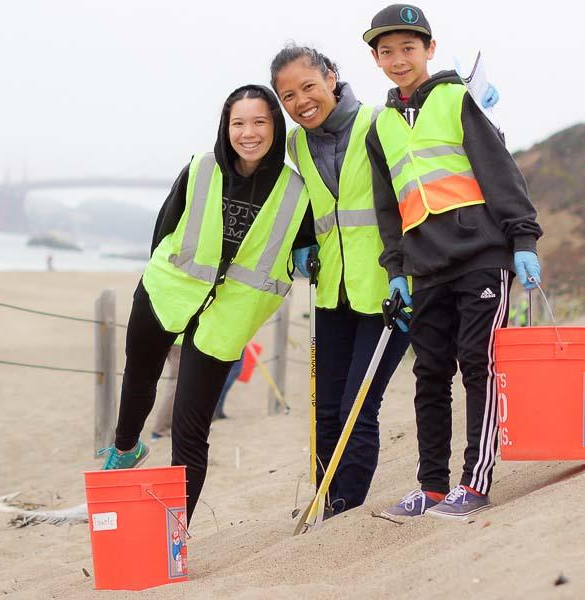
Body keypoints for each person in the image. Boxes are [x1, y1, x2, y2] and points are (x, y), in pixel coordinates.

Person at [100, 84, 312, 522]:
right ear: (225, 126)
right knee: (139, 377)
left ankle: (174, 532)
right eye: (238, 123)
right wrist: (160, 283)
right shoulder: (200, 168)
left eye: (259, 122)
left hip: (228, 315)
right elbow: (164, 231)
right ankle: (126, 447)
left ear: (276, 126)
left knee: (190, 427)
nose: (248, 133)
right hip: (167, 291)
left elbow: (303, 250)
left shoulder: (297, 191)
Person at [362, 4, 542, 519]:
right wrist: (396, 270)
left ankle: (476, 482)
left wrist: (523, 240)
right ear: (375, 59)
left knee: (478, 365)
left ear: (430, 49)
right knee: (430, 375)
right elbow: (387, 207)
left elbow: (499, 171)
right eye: (387, 51)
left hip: (482, 255)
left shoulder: (457, 99)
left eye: (408, 48)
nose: (399, 59)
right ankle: (433, 486)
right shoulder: (380, 128)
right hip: (425, 268)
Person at [270, 44, 412, 516]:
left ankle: (346, 505)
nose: (301, 101)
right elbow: (305, 206)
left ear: (331, 77)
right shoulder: (294, 144)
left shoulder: (380, 122)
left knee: (356, 405)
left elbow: (414, 195)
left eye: (308, 86)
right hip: (332, 293)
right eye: (287, 95)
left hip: (390, 291)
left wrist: (407, 271)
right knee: (325, 407)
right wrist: (300, 242)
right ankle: (324, 496)